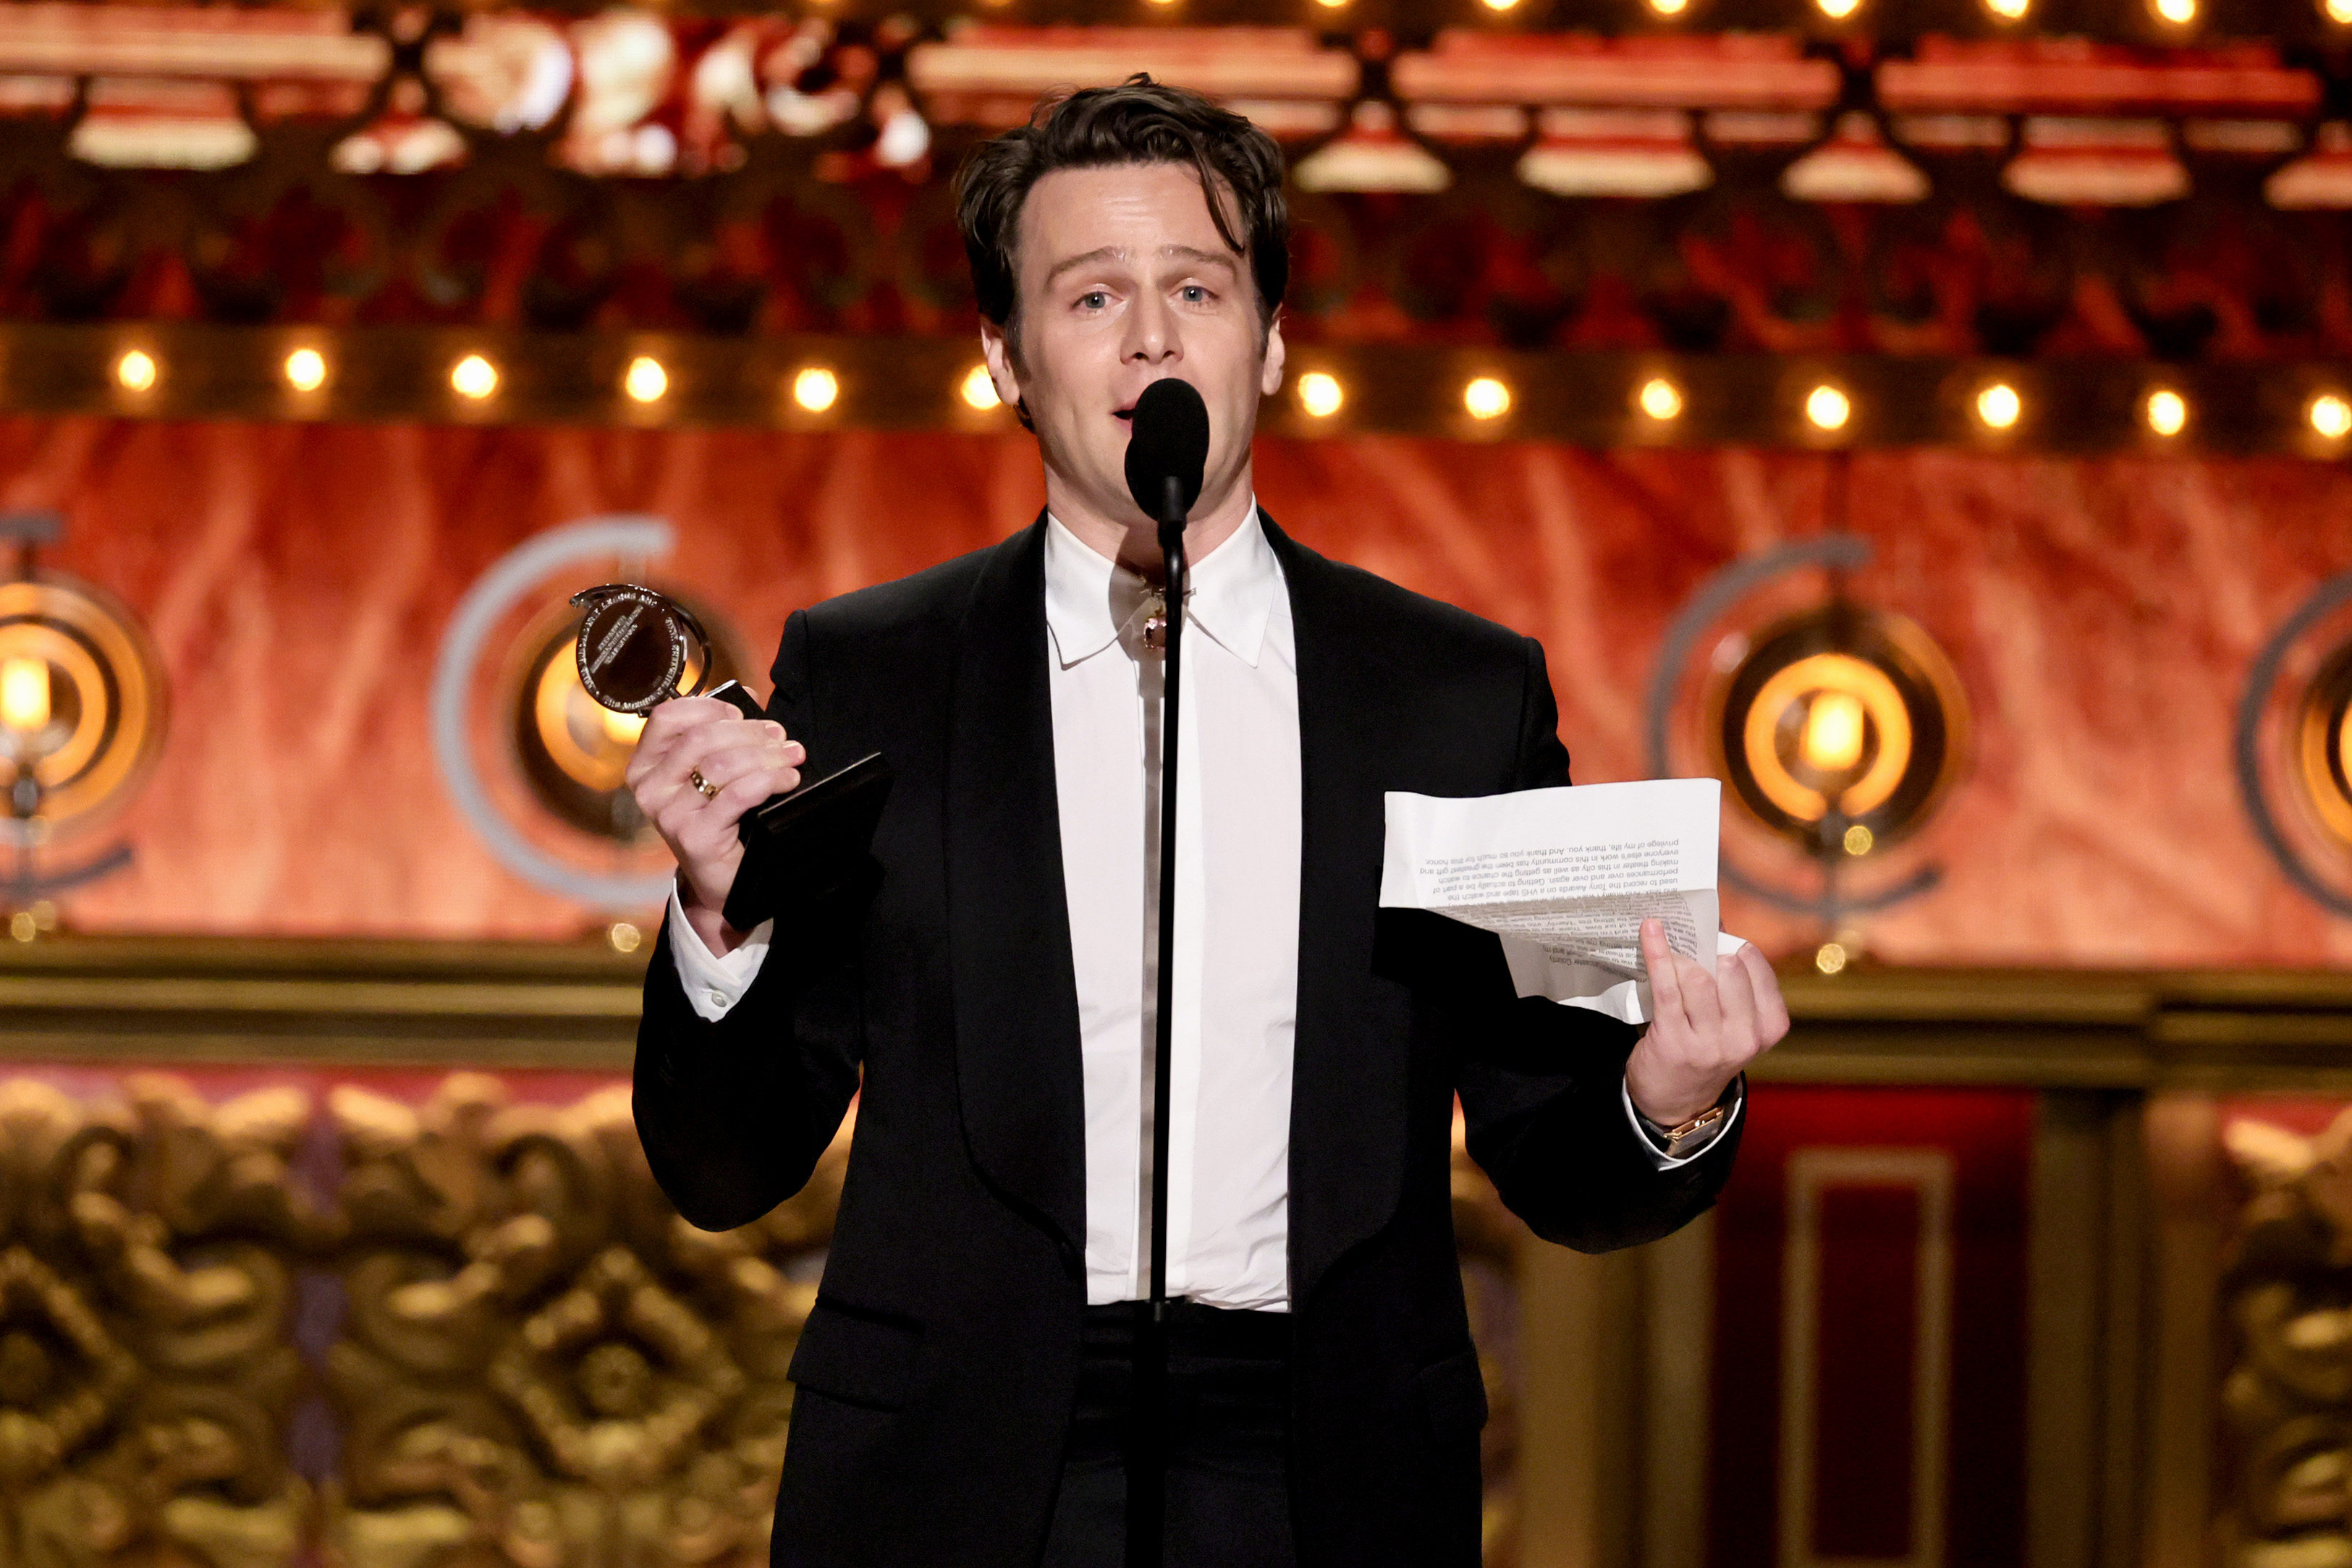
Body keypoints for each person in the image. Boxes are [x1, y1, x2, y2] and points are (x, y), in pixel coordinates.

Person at [625, 75, 1788, 1568]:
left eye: (1197, 286)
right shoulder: (871, 676)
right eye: (1090, 294)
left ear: (1271, 341)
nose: (1152, 337)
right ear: (1003, 358)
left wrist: (1667, 1090)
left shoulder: (1451, 695)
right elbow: (726, 1170)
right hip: (954, 1471)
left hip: (1322, 1468)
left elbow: (1558, 1161)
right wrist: (723, 924)